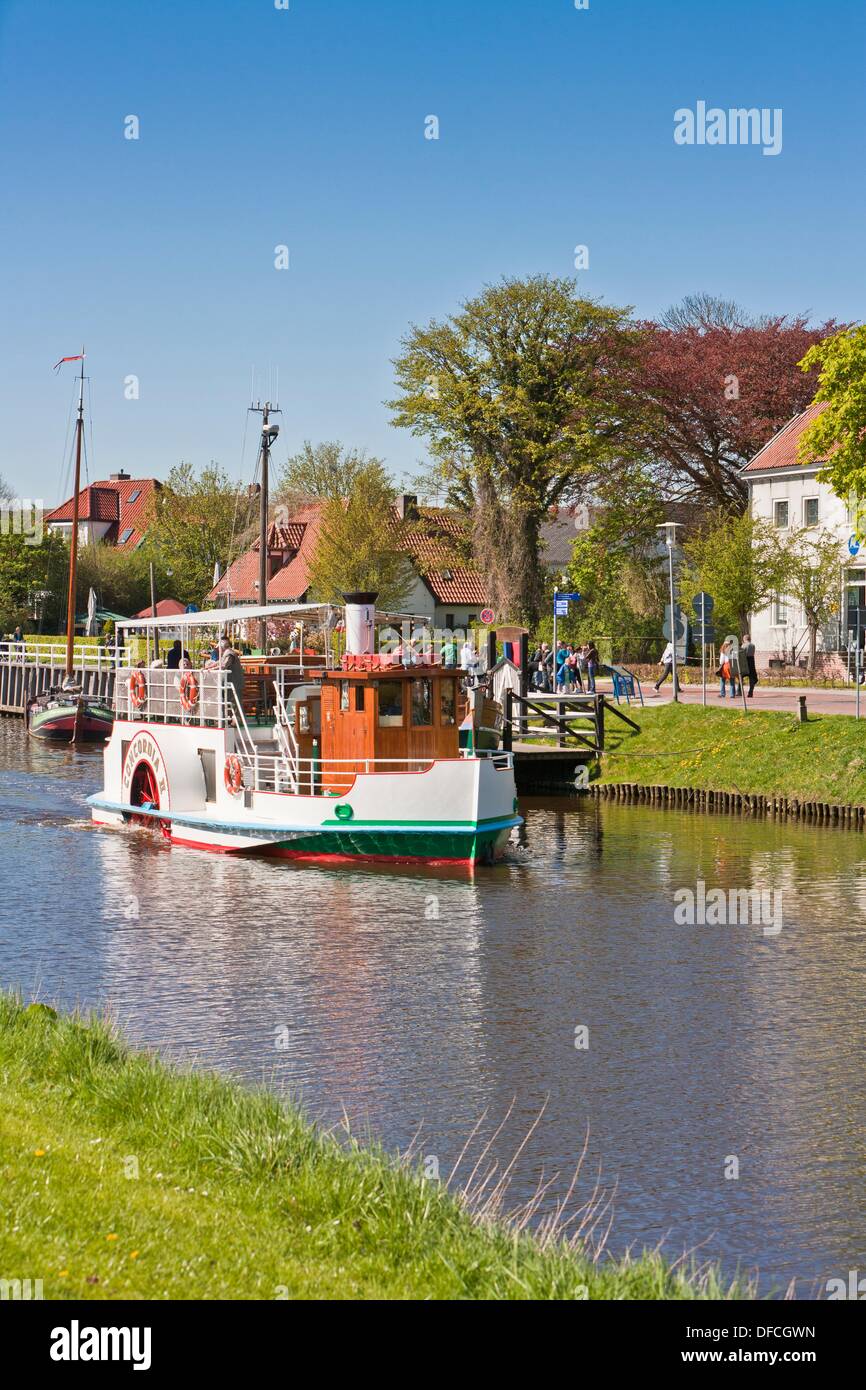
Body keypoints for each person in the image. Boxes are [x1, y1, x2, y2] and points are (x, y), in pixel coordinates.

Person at [741, 633, 758, 698]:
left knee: (741, 677)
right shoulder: (753, 645)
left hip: (745, 662)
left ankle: (739, 691)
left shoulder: (743, 645)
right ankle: (751, 692)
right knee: (752, 677)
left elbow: (742, 654)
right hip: (752, 661)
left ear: (745, 639)